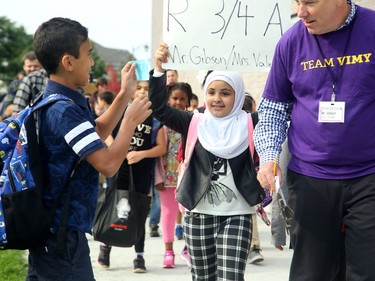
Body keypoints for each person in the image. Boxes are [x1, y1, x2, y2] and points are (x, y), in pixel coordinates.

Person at [253, 1, 375, 280]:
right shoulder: (291, 41)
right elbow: (273, 108)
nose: (301, 11)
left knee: (367, 272)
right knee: (311, 273)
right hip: (310, 179)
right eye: (297, 2)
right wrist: (269, 157)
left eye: (309, 2)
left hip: (370, 176)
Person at [26, 17, 151, 281]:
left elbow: (94, 135)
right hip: (61, 237)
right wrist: (130, 121)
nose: (92, 62)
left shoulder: (57, 100)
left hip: (54, 232)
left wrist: (124, 95)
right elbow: (106, 163)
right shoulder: (64, 110)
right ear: (68, 62)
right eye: (88, 55)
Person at [150, 43, 264, 280]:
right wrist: (160, 69)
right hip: (198, 214)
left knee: (231, 277)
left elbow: (282, 111)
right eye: (211, 92)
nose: (217, 99)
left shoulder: (251, 122)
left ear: (238, 95)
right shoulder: (193, 121)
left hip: (238, 215)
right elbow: (159, 109)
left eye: (225, 92)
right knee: (203, 278)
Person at [97, 80, 166, 273]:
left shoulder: (154, 118)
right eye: (140, 88)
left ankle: (139, 255)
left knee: (138, 210)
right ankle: (105, 248)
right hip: (119, 168)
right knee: (114, 206)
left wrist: (141, 154)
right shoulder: (121, 111)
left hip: (142, 170)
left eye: (147, 89)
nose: (143, 92)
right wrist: (116, 148)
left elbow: (161, 147)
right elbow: (106, 133)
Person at [153, 81, 193, 268]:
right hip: (167, 178)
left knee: (190, 214)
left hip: (188, 178)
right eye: (174, 98)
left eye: (182, 99)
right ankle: (168, 251)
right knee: (168, 213)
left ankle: (189, 248)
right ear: (168, 100)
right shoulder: (161, 124)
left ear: (188, 101)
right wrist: (158, 178)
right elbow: (156, 154)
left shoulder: (193, 121)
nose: (178, 102)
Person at [1, 51, 42, 117]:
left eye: (35, 66)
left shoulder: (46, 82)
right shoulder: (16, 84)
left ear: (42, 66)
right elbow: (7, 109)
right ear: (24, 67)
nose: (32, 69)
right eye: (29, 66)